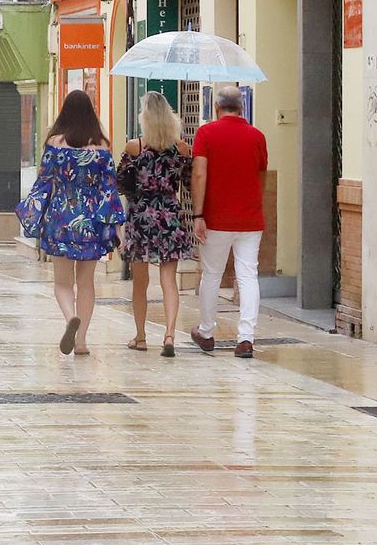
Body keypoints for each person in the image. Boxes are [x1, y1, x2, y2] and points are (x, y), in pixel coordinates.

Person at [31, 90, 126, 356]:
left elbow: (43, 183)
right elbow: (110, 189)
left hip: (60, 218)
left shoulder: (54, 143)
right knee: (87, 283)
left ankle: (70, 317)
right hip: (92, 221)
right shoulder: (102, 147)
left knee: (62, 282)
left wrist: (33, 214)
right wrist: (117, 224)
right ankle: (81, 340)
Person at [191, 85, 269, 358]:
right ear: (242, 107)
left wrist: (197, 214)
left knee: (212, 274)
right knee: (248, 275)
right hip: (250, 218)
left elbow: (199, 175)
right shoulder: (257, 136)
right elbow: (262, 176)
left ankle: (207, 332)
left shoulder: (206, 134)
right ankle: (246, 339)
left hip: (215, 218)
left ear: (216, 107)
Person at [117, 91, 194, 357]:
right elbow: (187, 182)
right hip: (169, 215)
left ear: (145, 116)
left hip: (141, 217)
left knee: (140, 281)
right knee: (168, 279)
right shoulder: (182, 148)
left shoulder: (134, 147)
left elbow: (120, 183)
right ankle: (170, 334)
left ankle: (140, 336)